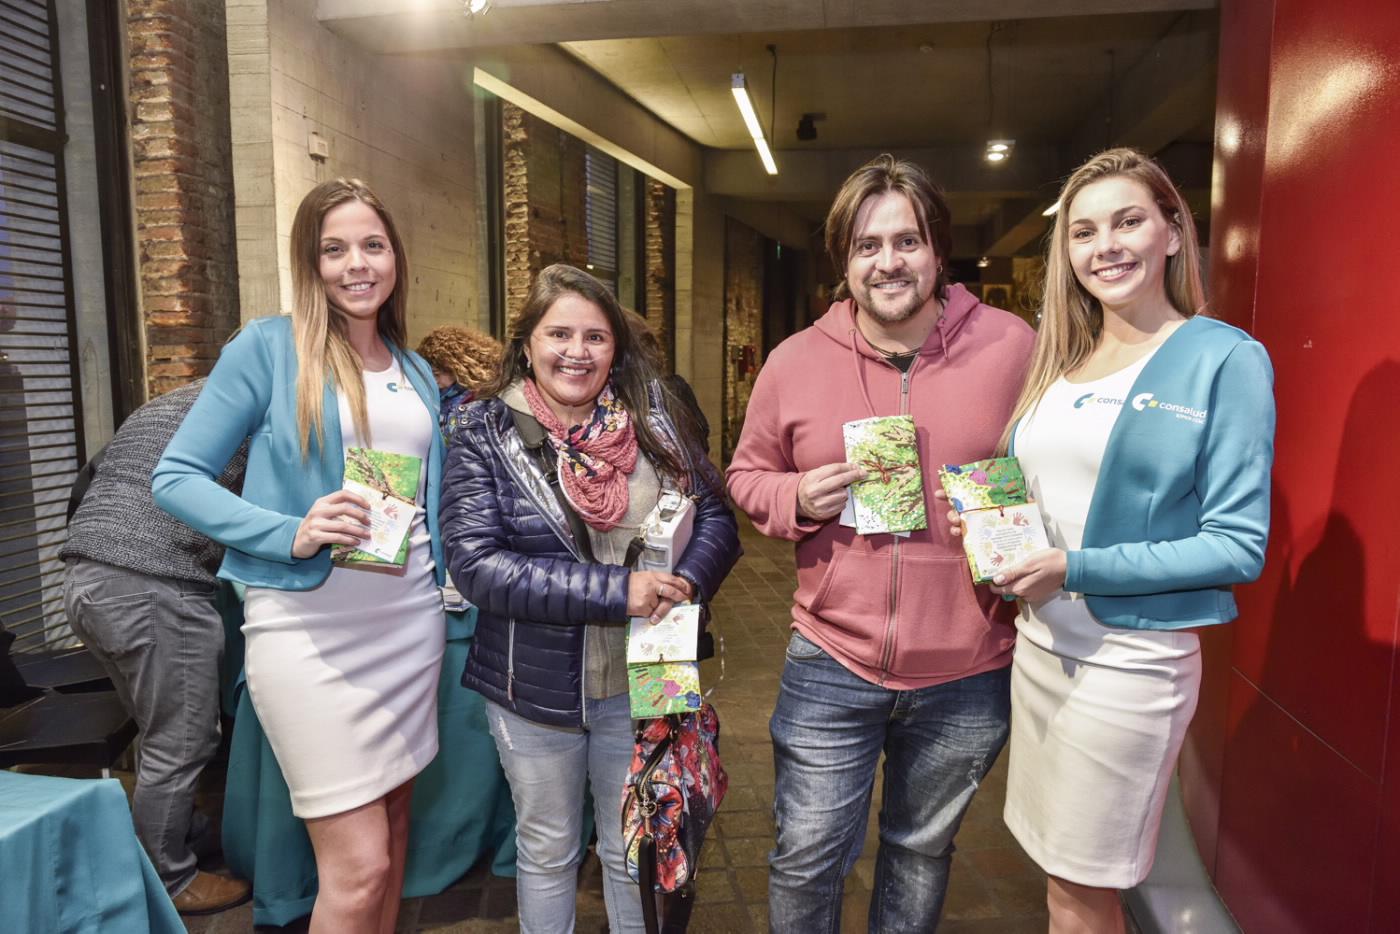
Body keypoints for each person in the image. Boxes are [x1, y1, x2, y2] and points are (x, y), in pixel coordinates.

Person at [944, 148, 1274, 932]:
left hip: (1128, 669)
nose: (1106, 246)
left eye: (1129, 221)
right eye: (1084, 231)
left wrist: (1073, 567)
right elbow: (1061, 494)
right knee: (1063, 882)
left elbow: (1236, 545)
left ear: (1172, 232)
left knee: (1082, 892)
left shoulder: (1222, 358)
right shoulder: (1063, 358)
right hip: (1039, 654)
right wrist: (994, 527)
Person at [726, 154, 1037, 932]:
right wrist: (797, 497)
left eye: (908, 241)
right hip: (831, 658)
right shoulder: (794, 361)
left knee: (920, 854)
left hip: (969, 666)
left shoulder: (1014, 348)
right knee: (805, 858)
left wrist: (1013, 519)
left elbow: (1057, 473)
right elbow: (745, 474)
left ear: (938, 250)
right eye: (867, 245)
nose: (888, 262)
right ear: (844, 259)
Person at [153, 178, 447, 934]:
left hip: (409, 627)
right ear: (310, 264)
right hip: (309, 633)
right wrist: (290, 530)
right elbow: (175, 478)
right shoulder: (269, 348)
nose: (357, 264)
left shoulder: (414, 370)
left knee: (394, 838)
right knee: (359, 867)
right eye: (334, 249)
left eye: (372, 245)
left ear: (395, 256)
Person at [439, 262, 741, 933]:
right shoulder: (483, 432)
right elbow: (479, 566)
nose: (577, 351)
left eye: (595, 337)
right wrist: (620, 591)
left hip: (647, 678)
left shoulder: (655, 420)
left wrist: (688, 581)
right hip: (533, 687)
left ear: (615, 349)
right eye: (559, 334)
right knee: (548, 850)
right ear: (527, 344)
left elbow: (716, 515)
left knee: (634, 849)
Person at [61, 379, 251, 915]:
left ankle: (183, 833)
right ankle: (169, 879)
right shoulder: (258, 403)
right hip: (152, 583)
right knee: (182, 740)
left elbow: (88, 478)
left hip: (86, 578)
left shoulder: (170, 400)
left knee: (159, 728)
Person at [415, 324, 504, 441]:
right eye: (428, 374)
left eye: (437, 374)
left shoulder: (484, 398)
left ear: (456, 369)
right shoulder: (428, 396)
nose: (433, 380)